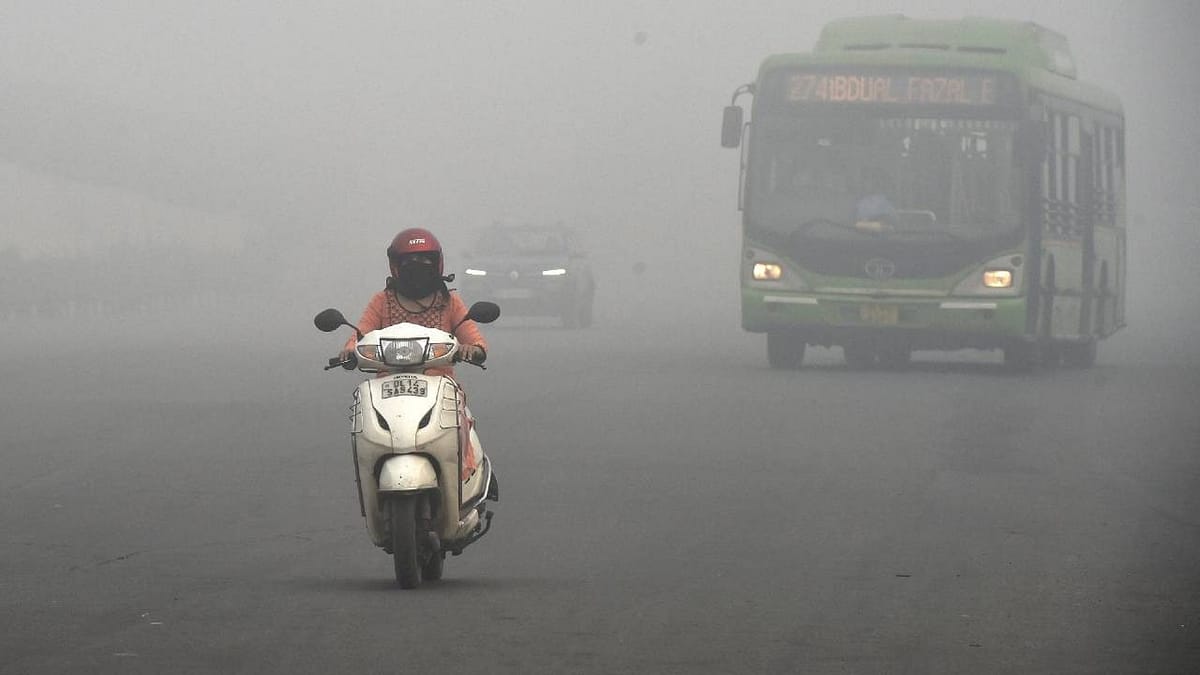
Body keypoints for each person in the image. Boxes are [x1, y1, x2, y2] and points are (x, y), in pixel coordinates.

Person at [341, 227, 489, 377]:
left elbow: (474, 341)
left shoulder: (449, 302)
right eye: (410, 261)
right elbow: (361, 334)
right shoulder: (382, 301)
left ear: (436, 263)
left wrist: (473, 349)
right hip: (386, 385)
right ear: (396, 266)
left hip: (441, 386)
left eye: (424, 260)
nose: (417, 266)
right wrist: (350, 350)